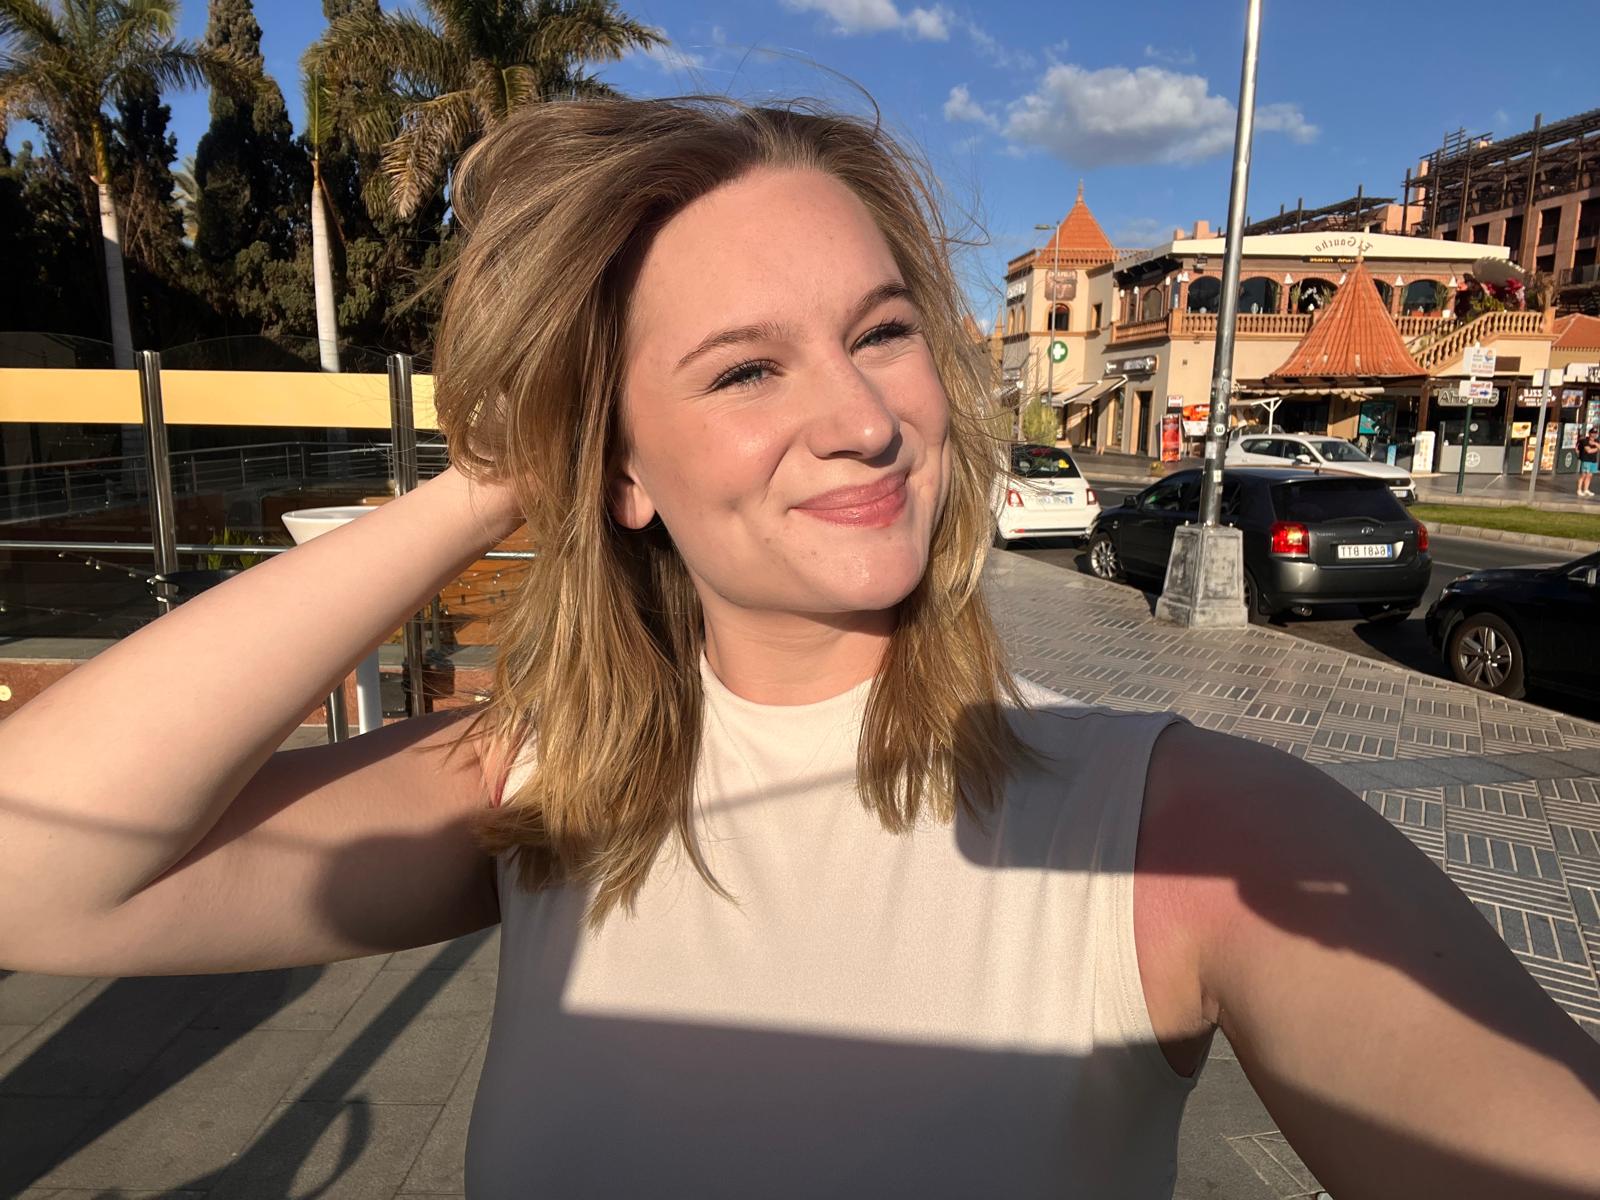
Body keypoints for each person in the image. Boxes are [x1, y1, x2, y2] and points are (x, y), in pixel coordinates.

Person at [2, 97, 1598, 1199]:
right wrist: (488, 479)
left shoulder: (1198, 831)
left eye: (881, 330)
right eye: (743, 369)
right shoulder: (544, 783)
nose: (860, 417)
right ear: (617, 467)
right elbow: (36, 867)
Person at [1578, 426, 1600, 498]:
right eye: (1592, 433)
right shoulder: (1585, 441)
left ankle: (1586, 489)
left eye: (1595, 433)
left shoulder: (1597, 441)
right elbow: (1589, 451)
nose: (1594, 435)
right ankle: (1579, 490)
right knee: (1584, 475)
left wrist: (1595, 444)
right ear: (1589, 433)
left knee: (1590, 476)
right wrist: (1597, 449)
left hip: (1593, 461)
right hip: (1586, 460)